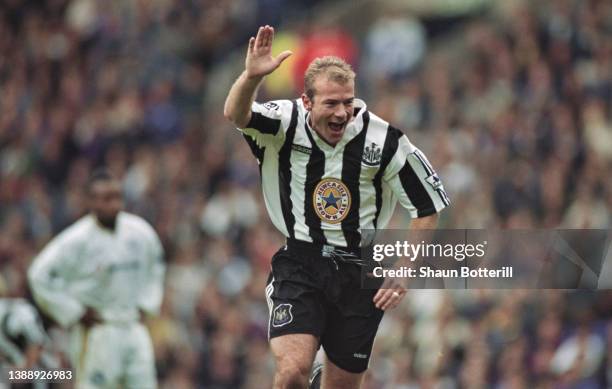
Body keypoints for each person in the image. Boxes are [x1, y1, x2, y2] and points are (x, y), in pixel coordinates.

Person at [224, 26, 449, 389]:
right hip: (301, 263)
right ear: (307, 101)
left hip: (358, 270)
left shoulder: (385, 141)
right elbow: (236, 114)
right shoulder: (285, 122)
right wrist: (251, 77)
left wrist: (406, 268)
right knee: (292, 371)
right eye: (331, 103)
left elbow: (427, 206)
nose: (343, 113)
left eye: (349, 102)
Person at [28, 169, 165, 389]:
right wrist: (74, 311)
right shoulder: (77, 240)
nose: (113, 204)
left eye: (117, 197)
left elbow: (156, 265)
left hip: (134, 326)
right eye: (106, 199)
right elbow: (39, 275)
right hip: (99, 331)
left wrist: (147, 304)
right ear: (91, 202)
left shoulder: (140, 232)